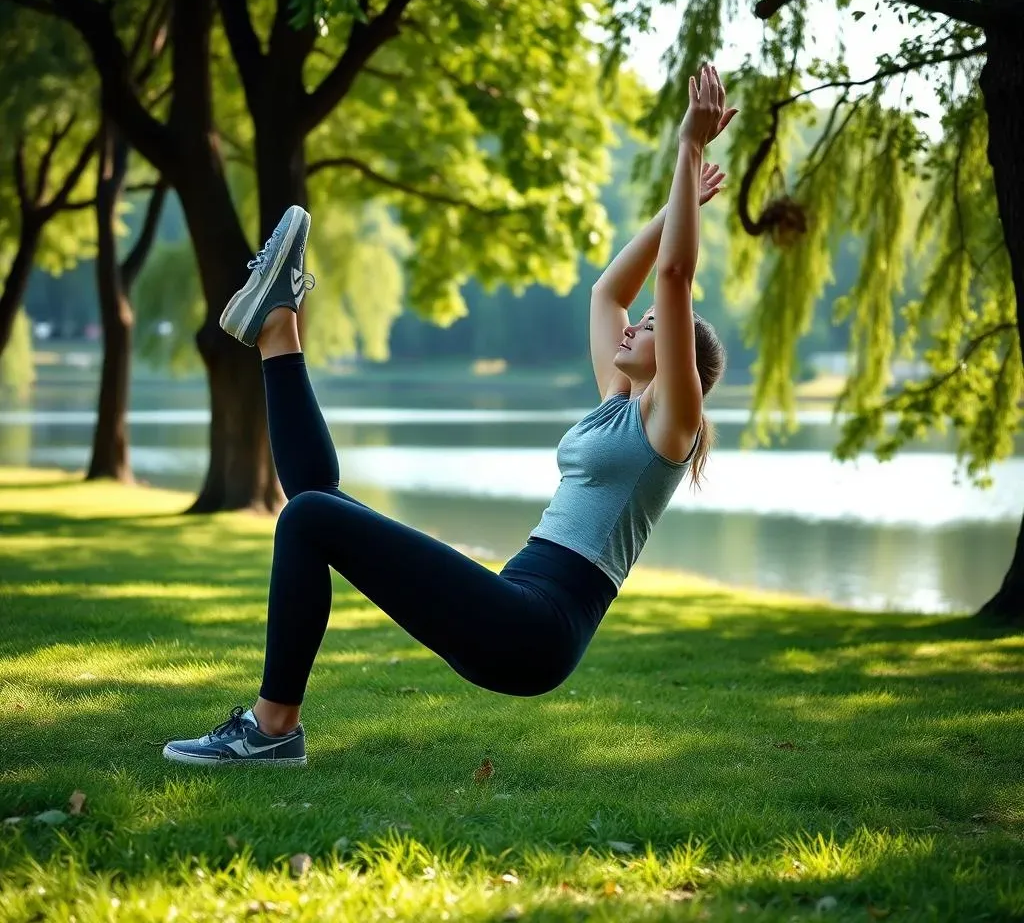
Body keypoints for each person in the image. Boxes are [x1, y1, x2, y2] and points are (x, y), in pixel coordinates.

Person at [162, 64, 736, 767]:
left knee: (309, 517)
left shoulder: (668, 430)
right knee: (314, 509)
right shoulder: (613, 408)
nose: (631, 328)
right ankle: (279, 330)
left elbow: (672, 280)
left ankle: (272, 728)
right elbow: (606, 291)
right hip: (511, 605)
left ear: (679, 365)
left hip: (535, 631)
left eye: (648, 329)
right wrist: (681, 207)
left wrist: (687, 148)